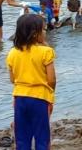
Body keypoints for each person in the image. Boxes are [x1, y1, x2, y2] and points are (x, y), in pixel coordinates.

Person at [6, 14, 56, 150]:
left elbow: (12, 79)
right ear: (35, 34)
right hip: (40, 98)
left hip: (20, 98)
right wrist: (50, 93)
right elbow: (51, 79)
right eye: (44, 29)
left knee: (21, 138)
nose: (45, 32)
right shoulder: (46, 52)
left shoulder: (12, 53)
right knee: (42, 138)